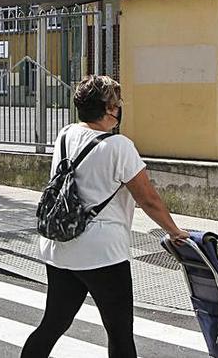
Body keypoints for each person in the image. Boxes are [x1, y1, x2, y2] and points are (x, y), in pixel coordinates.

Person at [22, 75, 189, 358]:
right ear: (107, 108)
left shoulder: (66, 135)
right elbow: (147, 198)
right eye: (116, 103)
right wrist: (174, 230)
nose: (119, 108)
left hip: (60, 247)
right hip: (103, 254)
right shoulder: (118, 146)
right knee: (119, 332)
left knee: (54, 322)